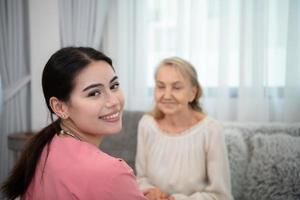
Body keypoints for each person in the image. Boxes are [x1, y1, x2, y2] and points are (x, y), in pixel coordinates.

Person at [1, 47, 147, 200]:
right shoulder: (112, 173)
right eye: (94, 93)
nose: (114, 101)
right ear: (60, 107)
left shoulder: (44, 146)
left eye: (114, 86)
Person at [135, 57, 233, 200]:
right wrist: (150, 191)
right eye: (161, 86)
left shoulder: (211, 130)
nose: (167, 95)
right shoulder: (146, 124)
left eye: (177, 87)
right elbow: (141, 179)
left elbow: (221, 195)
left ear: (192, 93)